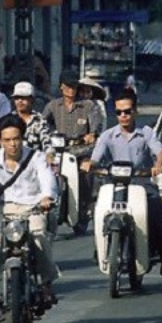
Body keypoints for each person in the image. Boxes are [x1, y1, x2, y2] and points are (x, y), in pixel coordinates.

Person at [85, 90, 162, 289]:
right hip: (115, 187)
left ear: (135, 111)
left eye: (127, 111)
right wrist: (90, 165)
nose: (123, 116)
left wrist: (158, 165)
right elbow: (96, 158)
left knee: (160, 225)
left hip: (142, 186)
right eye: (119, 112)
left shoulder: (146, 132)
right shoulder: (108, 135)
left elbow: (159, 153)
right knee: (97, 214)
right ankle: (101, 248)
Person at [0, 115, 58, 320]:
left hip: (33, 208)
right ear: (0, 140)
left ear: (23, 138)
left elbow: (47, 179)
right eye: (7, 140)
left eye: (16, 138)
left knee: (39, 238)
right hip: (1, 210)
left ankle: (46, 285)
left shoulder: (36, 157)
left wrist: (47, 197)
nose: (12, 144)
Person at [42, 70, 102, 234]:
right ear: (61, 87)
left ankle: (83, 209)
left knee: (85, 172)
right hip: (58, 151)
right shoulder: (53, 106)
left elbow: (96, 127)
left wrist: (92, 134)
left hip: (80, 151)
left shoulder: (88, 106)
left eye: (74, 86)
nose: (71, 89)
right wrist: (46, 135)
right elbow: (42, 124)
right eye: (68, 86)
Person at [7, 81, 52, 152]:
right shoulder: (9, 119)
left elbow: (46, 142)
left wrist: (49, 153)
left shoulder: (40, 120)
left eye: (23, 98)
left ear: (32, 99)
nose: (20, 101)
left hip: (33, 157)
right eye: (17, 98)